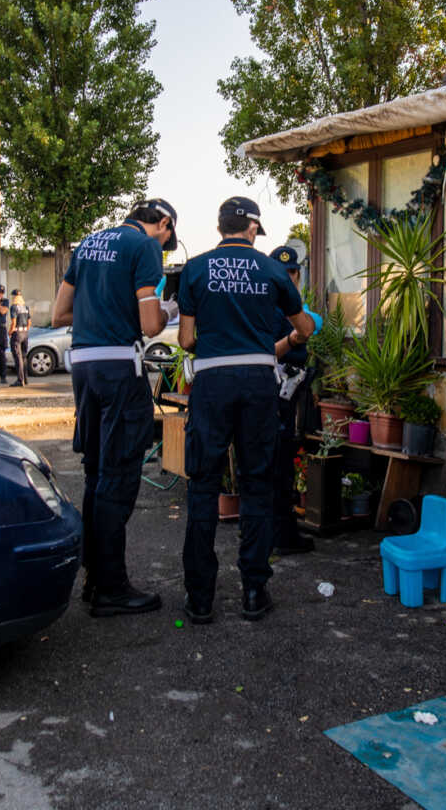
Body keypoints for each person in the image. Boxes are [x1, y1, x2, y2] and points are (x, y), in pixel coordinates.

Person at [177, 198, 314, 625]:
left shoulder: (195, 269)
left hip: (212, 382)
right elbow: (304, 327)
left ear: (221, 226)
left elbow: (185, 340)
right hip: (258, 383)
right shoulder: (273, 270)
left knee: (203, 485)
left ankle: (200, 598)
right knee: (257, 484)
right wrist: (291, 338)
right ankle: (254, 591)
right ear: (252, 228)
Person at [52, 197, 180, 618]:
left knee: (95, 472)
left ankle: (93, 576)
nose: (163, 246)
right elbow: (149, 325)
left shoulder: (88, 243)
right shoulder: (143, 246)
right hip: (119, 368)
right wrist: (169, 308)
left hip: (83, 367)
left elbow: (59, 314)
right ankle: (111, 587)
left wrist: (102, 311)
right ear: (162, 222)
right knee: (119, 474)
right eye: (166, 238)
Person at [269, 245, 324, 556]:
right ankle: (280, 534)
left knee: (284, 461)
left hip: (291, 391)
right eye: (283, 272)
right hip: (275, 391)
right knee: (277, 463)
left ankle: (278, 530)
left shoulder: (294, 305)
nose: (289, 277)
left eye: (292, 272)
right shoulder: (269, 306)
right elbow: (267, 353)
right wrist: (293, 339)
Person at [8, 288, 31, 386]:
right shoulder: (26, 307)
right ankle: (25, 379)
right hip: (25, 332)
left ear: (13, 297)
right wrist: (25, 330)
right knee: (24, 356)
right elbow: (29, 322)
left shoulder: (14, 307)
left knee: (18, 357)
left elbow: (13, 322)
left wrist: (10, 332)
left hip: (17, 333)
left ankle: (20, 380)